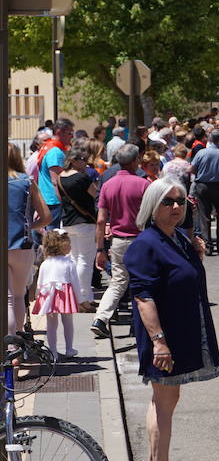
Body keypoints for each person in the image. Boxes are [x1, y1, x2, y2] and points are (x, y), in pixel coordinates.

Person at [126, 177, 219, 461]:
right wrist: (159, 342)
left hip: (177, 331)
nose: (176, 206)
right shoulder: (146, 243)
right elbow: (142, 296)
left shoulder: (177, 237)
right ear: (153, 206)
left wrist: (197, 256)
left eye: (180, 201)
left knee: (166, 399)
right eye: (168, 201)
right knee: (163, 400)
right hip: (162, 337)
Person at [91, 144, 151, 339]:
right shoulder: (143, 184)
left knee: (118, 282)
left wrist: (100, 248)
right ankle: (138, 321)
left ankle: (100, 318)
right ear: (135, 161)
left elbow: (101, 220)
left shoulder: (108, 185)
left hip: (118, 240)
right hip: (140, 240)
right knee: (141, 281)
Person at [7, 144, 51, 341]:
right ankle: (15, 347)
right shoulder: (27, 181)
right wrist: (28, 226)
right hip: (22, 244)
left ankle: (8, 347)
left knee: (6, 300)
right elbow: (46, 217)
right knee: (17, 297)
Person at [58, 149, 99, 311]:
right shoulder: (82, 177)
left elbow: (60, 198)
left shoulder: (61, 178)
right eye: (82, 159)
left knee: (74, 259)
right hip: (85, 222)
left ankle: (81, 297)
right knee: (85, 260)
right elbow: (94, 194)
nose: (85, 162)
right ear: (73, 160)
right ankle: (82, 298)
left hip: (68, 221)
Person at [32, 229, 80, 359]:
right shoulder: (69, 262)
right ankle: (69, 348)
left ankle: (53, 351)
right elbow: (75, 281)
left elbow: (39, 283)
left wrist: (38, 296)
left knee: (51, 324)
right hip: (65, 294)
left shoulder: (45, 263)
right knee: (68, 322)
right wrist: (78, 298)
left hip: (48, 294)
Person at [191, 129, 219, 256]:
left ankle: (208, 247)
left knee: (204, 216)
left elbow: (192, 169)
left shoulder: (201, 153)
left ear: (209, 139)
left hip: (202, 186)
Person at [35, 118, 75, 229]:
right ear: (59, 132)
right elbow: (56, 181)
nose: (72, 136)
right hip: (54, 201)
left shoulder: (48, 147)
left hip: (47, 198)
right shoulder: (55, 152)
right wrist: (64, 201)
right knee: (53, 238)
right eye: (69, 133)